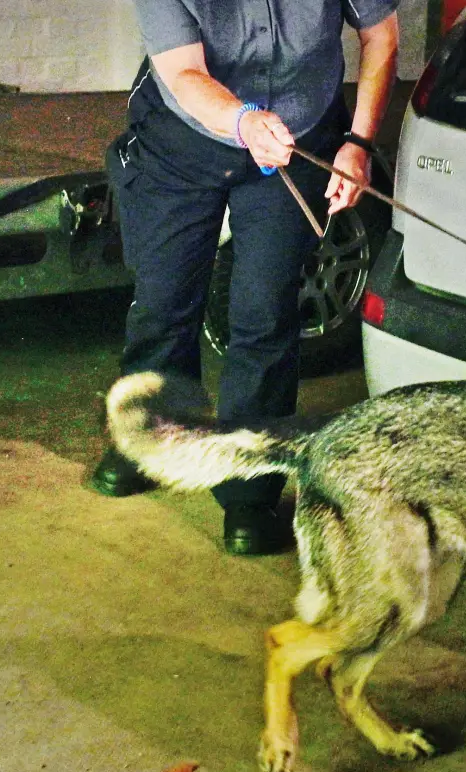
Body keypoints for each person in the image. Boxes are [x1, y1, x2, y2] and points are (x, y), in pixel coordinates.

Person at [89, 0, 399, 555]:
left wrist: (358, 144)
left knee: (266, 312)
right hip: (183, 142)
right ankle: (148, 440)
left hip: (296, 141)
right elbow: (185, 72)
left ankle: (249, 487)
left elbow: (381, 36)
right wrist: (242, 120)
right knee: (165, 299)